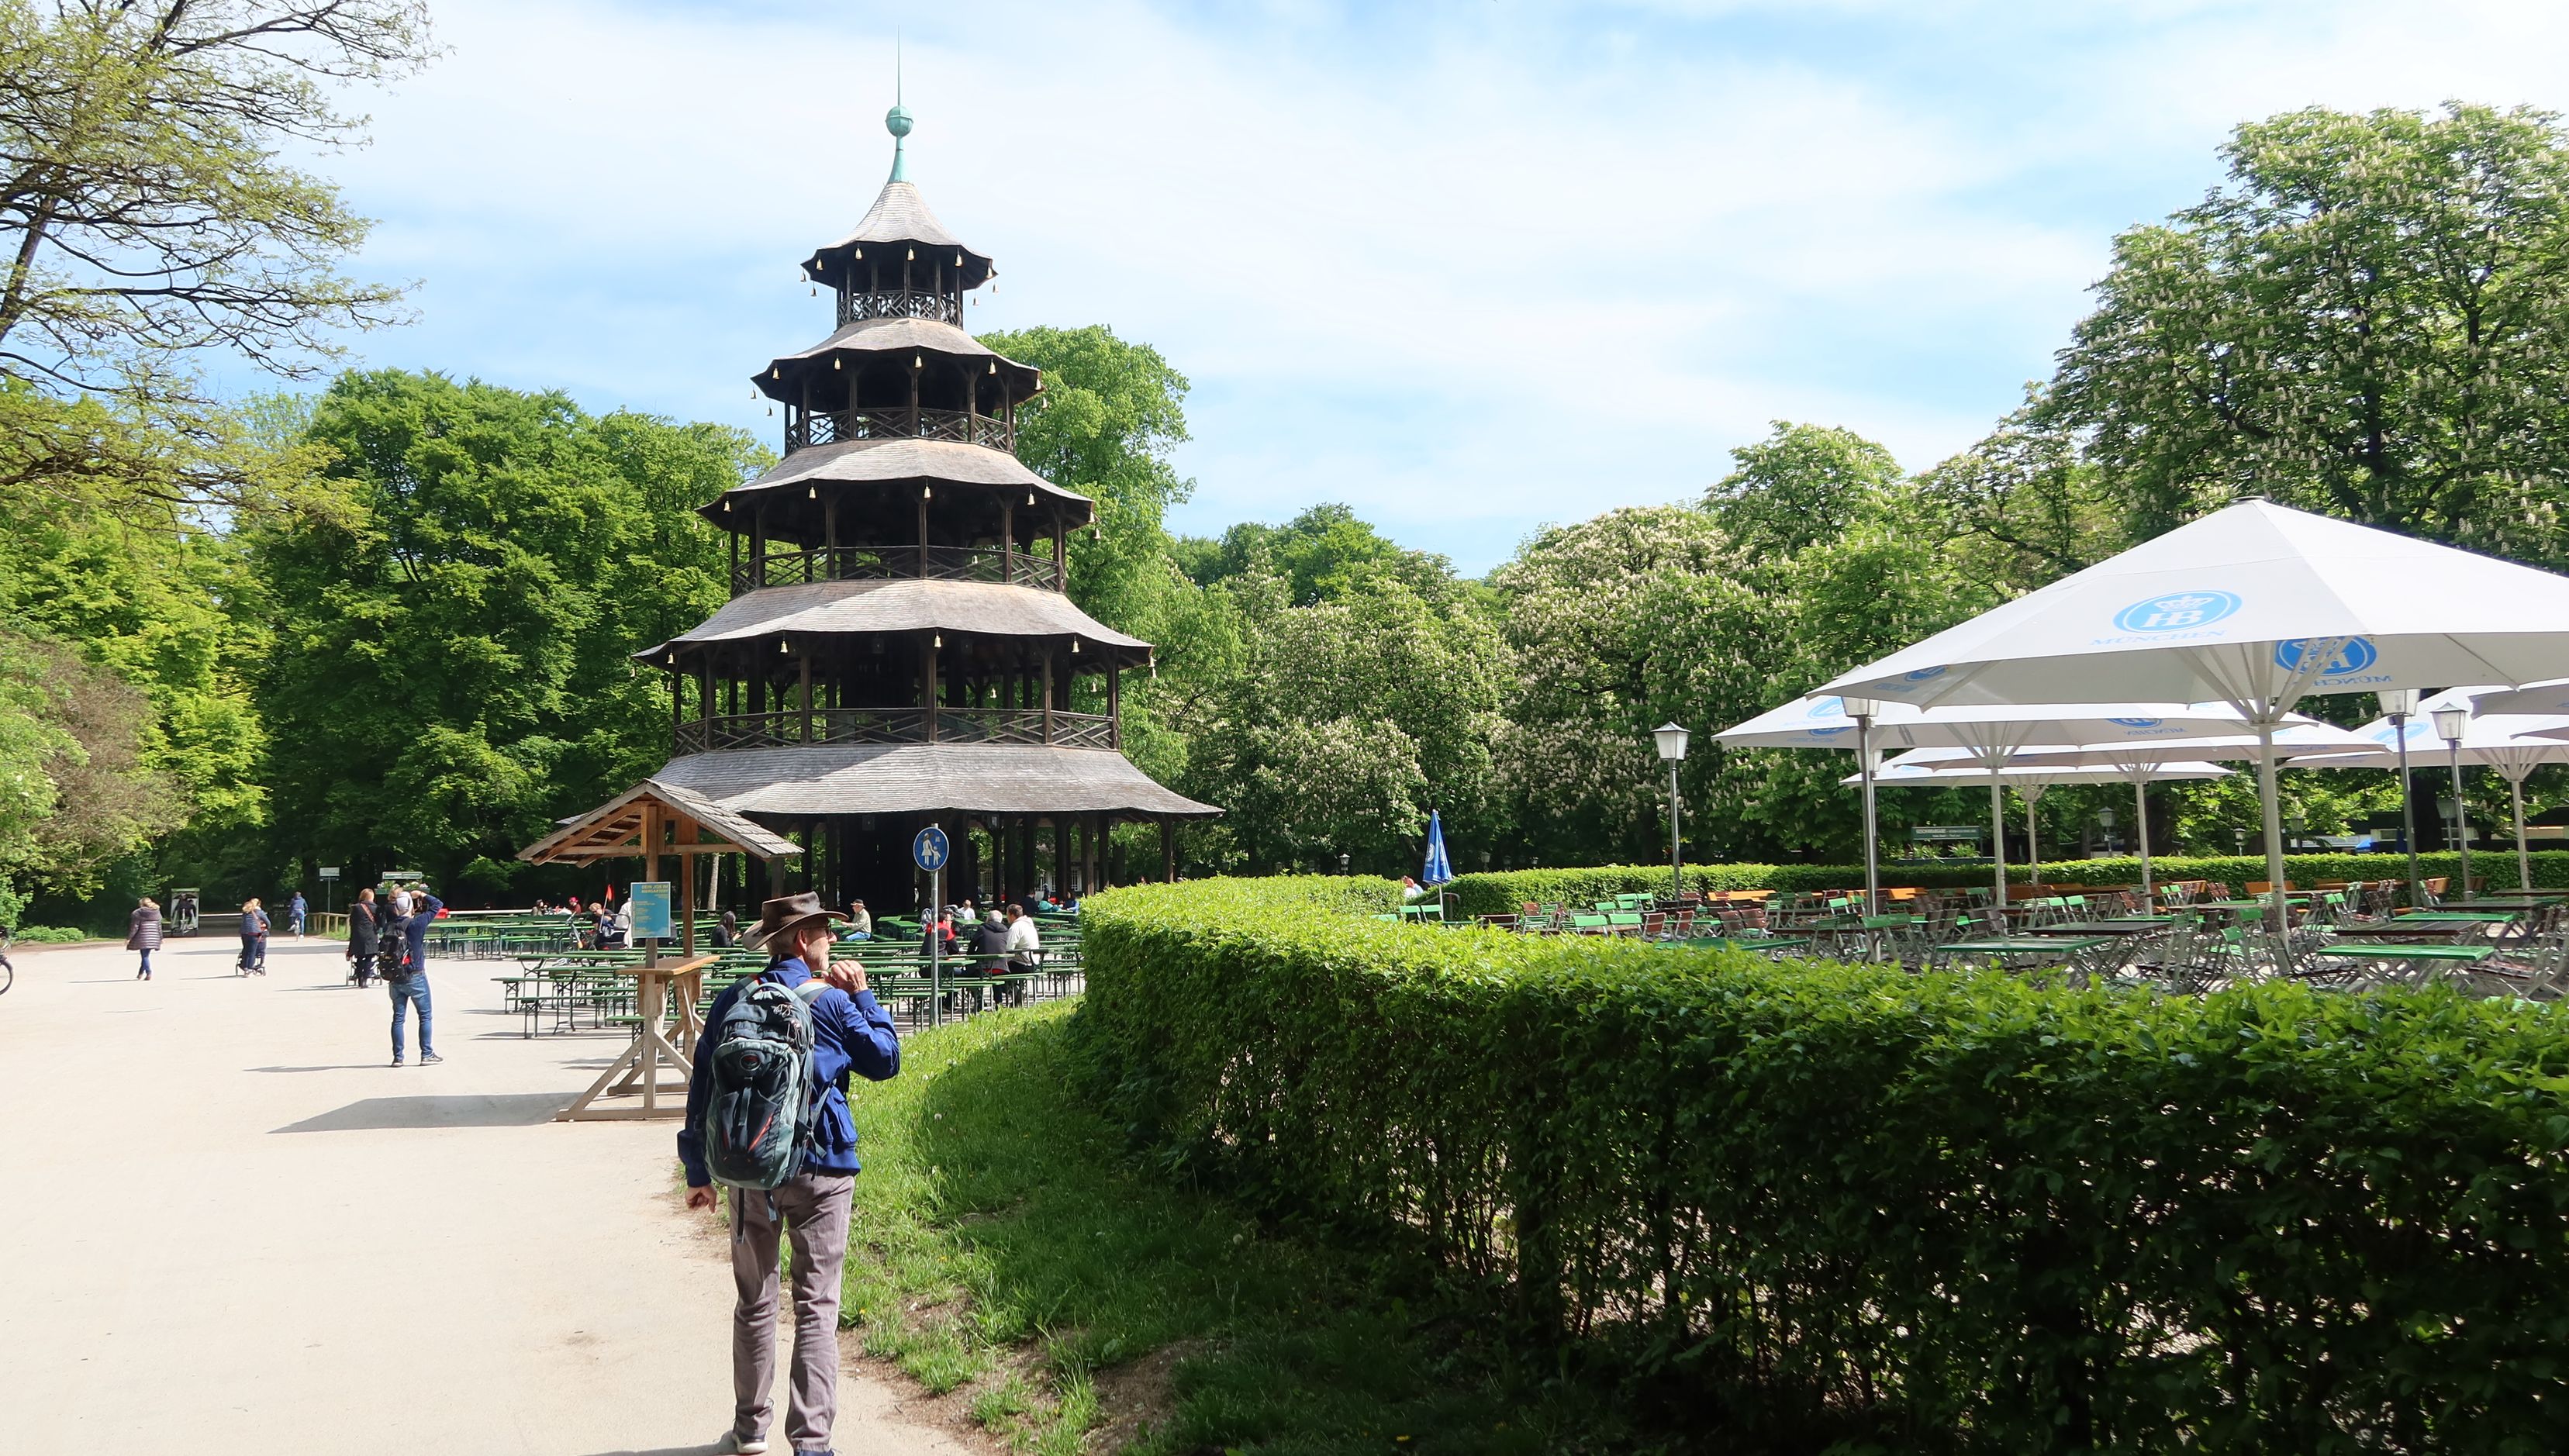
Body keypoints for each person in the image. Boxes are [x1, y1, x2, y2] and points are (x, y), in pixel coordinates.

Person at [681, 892, 899, 1456]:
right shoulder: (831, 1001)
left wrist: (697, 1169)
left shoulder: (737, 997)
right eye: (827, 933)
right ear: (804, 940)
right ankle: (811, 1443)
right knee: (817, 1304)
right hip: (822, 1166)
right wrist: (865, 995)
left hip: (750, 1168)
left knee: (755, 1301)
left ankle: (750, 1430)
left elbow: (703, 1084)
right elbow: (884, 1060)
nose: (833, 942)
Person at [389, 884, 442, 1066]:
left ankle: (398, 1057)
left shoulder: (391, 925)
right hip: (416, 974)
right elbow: (438, 905)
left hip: (396, 976)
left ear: (396, 908)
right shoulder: (418, 924)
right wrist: (421, 894)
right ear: (412, 907)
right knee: (425, 1016)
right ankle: (426, 1054)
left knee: (398, 1018)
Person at [1001, 902, 1041, 1005]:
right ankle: (1017, 991)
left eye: (1007, 914)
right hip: (1034, 962)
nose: (1006, 917)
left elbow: (1009, 948)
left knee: (999, 970)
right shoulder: (1029, 924)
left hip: (1023, 963)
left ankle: (1015, 992)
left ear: (1012, 915)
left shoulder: (1016, 927)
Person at [346, 887, 382, 986]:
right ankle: (365, 978)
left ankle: (359, 976)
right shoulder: (376, 908)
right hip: (371, 935)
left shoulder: (356, 907)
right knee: (369, 957)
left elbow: (352, 922)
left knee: (360, 957)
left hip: (358, 935)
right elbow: (379, 923)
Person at [128, 896, 162, 981]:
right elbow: (159, 926)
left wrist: (129, 938)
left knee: (145, 956)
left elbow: (135, 927)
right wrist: (161, 937)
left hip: (143, 937)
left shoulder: (138, 913)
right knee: (145, 956)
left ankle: (149, 972)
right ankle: (140, 973)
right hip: (154, 937)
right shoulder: (157, 912)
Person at [238, 898, 269, 975]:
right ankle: (250, 969)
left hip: (244, 933)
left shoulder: (246, 912)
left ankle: (245, 967)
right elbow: (268, 923)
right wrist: (267, 928)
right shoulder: (260, 912)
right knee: (252, 952)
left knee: (246, 950)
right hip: (255, 933)